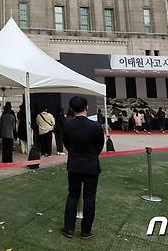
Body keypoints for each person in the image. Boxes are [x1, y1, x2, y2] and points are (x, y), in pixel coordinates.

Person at [61, 96, 104, 240]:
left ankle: (69, 229)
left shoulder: (67, 125)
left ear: (72, 109)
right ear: (87, 108)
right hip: (91, 165)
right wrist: (91, 155)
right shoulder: (96, 126)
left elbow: (66, 144)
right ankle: (86, 231)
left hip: (74, 165)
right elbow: (99, 146)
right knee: (89, 198)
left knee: (72, 195)